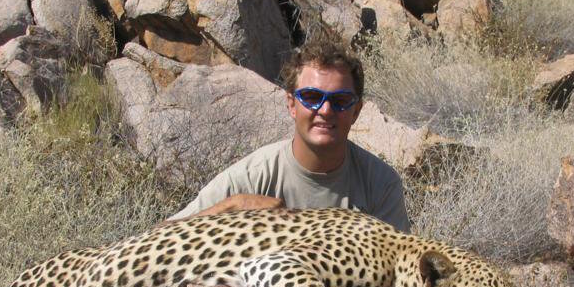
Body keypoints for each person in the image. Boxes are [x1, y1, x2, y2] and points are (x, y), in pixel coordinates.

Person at [167, 33, 410, 232]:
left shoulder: (380, 184)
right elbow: (158, 237)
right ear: (292, 104)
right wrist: (234, 205)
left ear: (356, 111)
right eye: (312, 98)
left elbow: (400, 272)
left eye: (340, 100)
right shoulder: (252, 178)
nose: (325, 110)